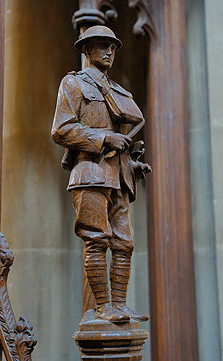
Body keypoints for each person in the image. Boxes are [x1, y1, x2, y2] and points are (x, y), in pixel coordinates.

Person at [51, 25, 151, 323]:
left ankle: (119, 305)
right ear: (87, 49)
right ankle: (103, 306)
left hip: (119, 175)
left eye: (113, 47)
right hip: (91, 172)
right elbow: (61, 129)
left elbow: (126, 135)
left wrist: (133, 162)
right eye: (103, 46)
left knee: (125, 243)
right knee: (97, 239)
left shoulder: (119, 92)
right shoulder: (74, 84)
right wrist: (105, 138)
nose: (109, 52)